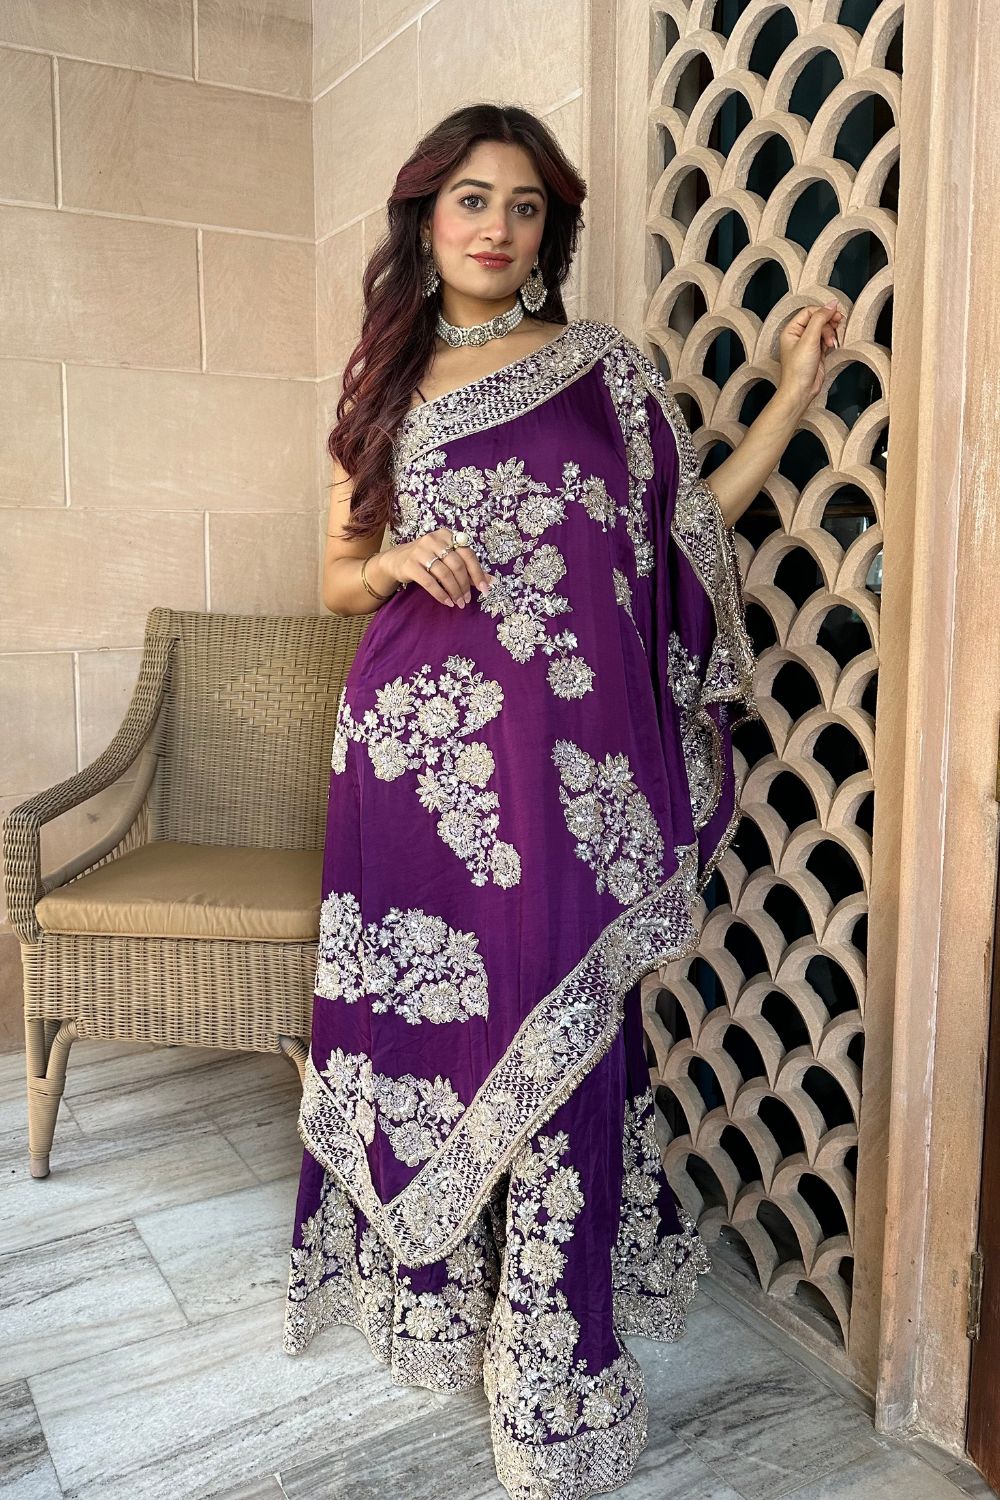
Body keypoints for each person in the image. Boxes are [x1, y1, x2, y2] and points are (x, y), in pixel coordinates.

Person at [282, 102, 842, 1499]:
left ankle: (553, 1353)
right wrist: (392, 561)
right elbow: (337, 577)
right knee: (442, 1027)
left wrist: (791, 395)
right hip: (418, 767)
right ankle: (431, 1289)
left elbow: (692, 528)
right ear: (426, 219)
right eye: (472, 200)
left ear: (550, 232)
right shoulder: (384, 384)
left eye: (525, 206)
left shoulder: (606, 375)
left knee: (569, 1030)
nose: (497, 227)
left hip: (572, 781)